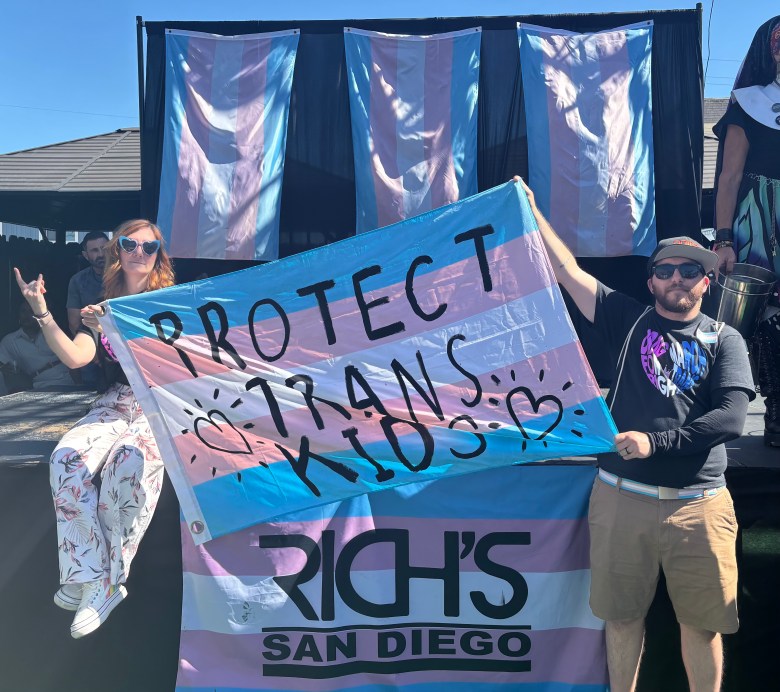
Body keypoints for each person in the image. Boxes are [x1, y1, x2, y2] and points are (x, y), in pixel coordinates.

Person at [516, 178, 754, 692]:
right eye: (665, 270)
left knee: (703, 625)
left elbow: (732, 418)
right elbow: (565, 271)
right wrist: (532, 209)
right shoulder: (626, 320)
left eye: (689, 270)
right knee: (621, 620)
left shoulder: (725, 338)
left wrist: (655, 443)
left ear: (706, 282)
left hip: (701, 505)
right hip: (623, 499)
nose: (677, 279)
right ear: (650, 282)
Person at [14, 219, 175, 639]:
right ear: (116, 250)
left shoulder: (171, 302)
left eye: (149, 247)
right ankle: (91, 574)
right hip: (116, 400)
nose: (139, 252)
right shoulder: (100, 307)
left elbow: (171, 364)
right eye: (129, 244)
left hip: (160, 404)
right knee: (67, 458)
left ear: (159, 255)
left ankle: (103, 578)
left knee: (128, 462)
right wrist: (42, 312)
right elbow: (74, 357)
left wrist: (119, 331)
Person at [713, 15, 780, 447]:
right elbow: (730, 177)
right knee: (768, 319)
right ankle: (776, 408)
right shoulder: (747, 103)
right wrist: (722, 238)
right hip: (759, 219)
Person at [0, 302, 75, 392]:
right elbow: (3, 366)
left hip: (67, 381)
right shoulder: (10, 341)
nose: (26, 315)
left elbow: (73, 356)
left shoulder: (52, 332)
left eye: (31, 311)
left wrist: (79, 384)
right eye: (23, 311)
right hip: (39, 386)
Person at [66, 231, 109, 336]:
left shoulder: (127, 274)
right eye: (94, 250)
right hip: (93, 341)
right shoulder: (78, 281)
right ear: (86, 255)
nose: (101, 254)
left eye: (104, 248)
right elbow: (74, 324)